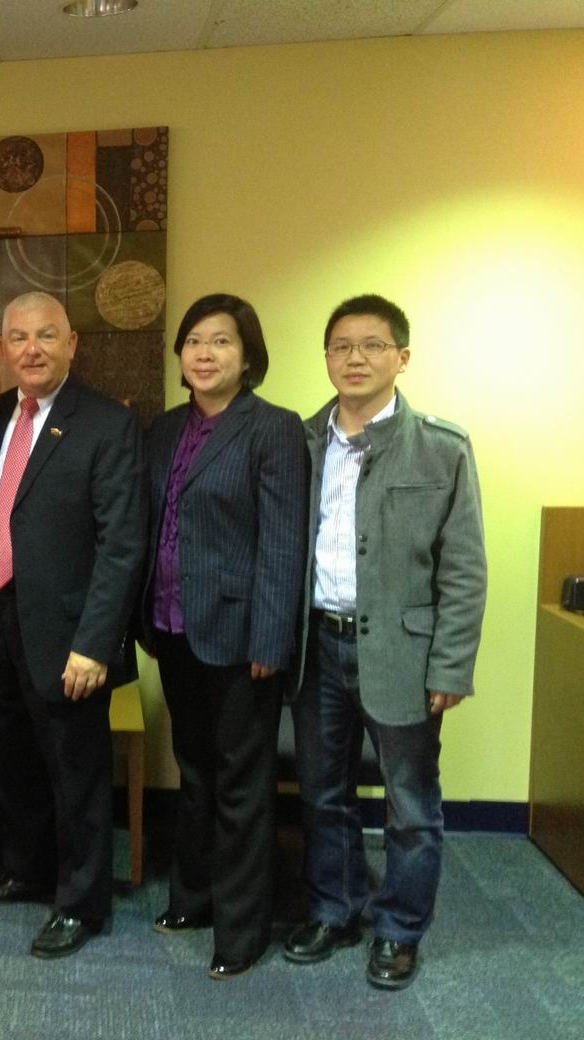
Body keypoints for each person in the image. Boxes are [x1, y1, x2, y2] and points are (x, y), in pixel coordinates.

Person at [282, 294, 486, 990]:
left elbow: (464, 568)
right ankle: (334, 910)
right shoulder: (301, 441)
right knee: (322, 793)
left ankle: (399, 930)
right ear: (326, 357)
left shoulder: (441, 447)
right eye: (341, 346)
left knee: (410, 803)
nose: (355, 358)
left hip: (403, 654)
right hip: (317, 646)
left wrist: (450, 666)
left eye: (372, 345)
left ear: (402, 357)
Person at [0, 291, 147, 959]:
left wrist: (95, 644)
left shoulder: (106, 422)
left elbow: (121, 543)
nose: (31, 348)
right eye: (18, 337)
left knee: (76, 774)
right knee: (14, 759)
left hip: (69, 633)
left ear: (72, 344)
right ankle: (26, 868)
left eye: (46, 335)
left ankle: (81, 903)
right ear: (3, 348)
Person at [140, 294, 307, 979]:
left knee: (242, 783)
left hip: (241, 638)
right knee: (195, 771)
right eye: (194, 341)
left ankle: (240, 931)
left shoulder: (273, 428)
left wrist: (271, 640)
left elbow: (283, 540)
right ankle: (193, 897)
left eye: (221, 342)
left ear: (247, 356)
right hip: (173, 627)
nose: (204, 354)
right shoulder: (163, 429)